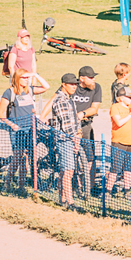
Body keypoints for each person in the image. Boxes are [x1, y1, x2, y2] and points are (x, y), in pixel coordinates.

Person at [0, 69, 46, 187]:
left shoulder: (30, 90)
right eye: (23, 77)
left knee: (26, 158)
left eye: (27, 77)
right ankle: (7, 184)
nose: (26, 80)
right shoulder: (9, 92)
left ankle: (21, 186)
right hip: (18, 130)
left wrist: (34, 75)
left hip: (31, 129)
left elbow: (46, 87)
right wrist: (12, 125)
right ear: (17, 78)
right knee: (17, 157)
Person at [47, 73, 83, 208]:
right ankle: (70, 201)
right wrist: (75, 138)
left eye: (75, 84)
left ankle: (62, 199)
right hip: (64, 140)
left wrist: (78, 134)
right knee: (68, 171)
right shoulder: (60, 101)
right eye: (71, 84)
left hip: (71, 139)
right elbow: (66, 124)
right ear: (64, 85)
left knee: (66, 170)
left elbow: (75, 120)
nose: (74, 87)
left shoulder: (70, 99)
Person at [103, 85, 131, 196]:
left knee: (128, 169)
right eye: (128, 97)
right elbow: (119, 122)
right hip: (119, 142)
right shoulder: (115, 107)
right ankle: (108, 191)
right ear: (120, 98)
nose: (130, 99)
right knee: (115, 168)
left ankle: (127, 190)